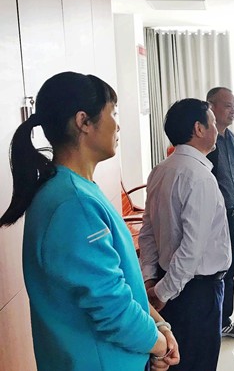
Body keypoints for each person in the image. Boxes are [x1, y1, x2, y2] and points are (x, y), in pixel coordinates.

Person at [0, 72, 179, 371]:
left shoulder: (75, 190)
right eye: (113, 113)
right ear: (83, 121)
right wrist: (160, 346)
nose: (118, 125)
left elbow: (119, 285)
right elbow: (112, 309)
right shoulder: (73, 204)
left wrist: (159, 326)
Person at [139, 98, 231, 371]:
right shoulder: (199, 177)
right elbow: (192, 249)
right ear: (199, 129)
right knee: (197, 362)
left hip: (168, 283)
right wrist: (162, 293)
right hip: (196, 292)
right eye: (212, 122)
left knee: (176, 362)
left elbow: (148, 231)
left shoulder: (161, 170)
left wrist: (151, 279)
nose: (216, 129)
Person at [206, 87, 234, 339]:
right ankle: (214, 321)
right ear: (211, 106)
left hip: (232, 215)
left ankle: (224, 320)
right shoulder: (206, 141)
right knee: (216, 270)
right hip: (215, 219)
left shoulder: (231, 137)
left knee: (230, 269)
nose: (233, 111)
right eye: (228, 106)